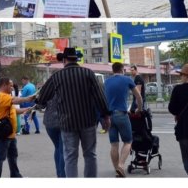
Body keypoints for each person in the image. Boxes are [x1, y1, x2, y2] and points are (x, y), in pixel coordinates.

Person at [36, 47, 111, 178]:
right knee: (90, 154)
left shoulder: (57, 76)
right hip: (88, 121)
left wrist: (38, 102)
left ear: (64, 60)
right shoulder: (88, 73)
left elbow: (42, 98)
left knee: (70, 157)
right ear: (76, 59)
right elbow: (100, 97)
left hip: (67, 123)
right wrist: (106, 116)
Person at [104, 62, 143, 178]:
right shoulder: (127, 80)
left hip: (110, 115)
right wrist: (139, 109)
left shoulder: (106, 82)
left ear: (112, 70)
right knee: (128, 141)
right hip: (121, 114)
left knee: (114, 144)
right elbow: (138, 96)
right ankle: (121, 165)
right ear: (122, 70)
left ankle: (117, 169)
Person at [0, 78, 35, 177]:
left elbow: (14, 110)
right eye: (10, 85)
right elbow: (15, 100)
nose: (12, 87)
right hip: (4, 134)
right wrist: (28, 98)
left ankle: (15, 175)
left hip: (10, 133)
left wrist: (26, 109)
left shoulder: (6, 97)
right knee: (0, 157)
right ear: (4, 85)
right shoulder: (2, 96)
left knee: (12, 156)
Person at [168, 64, 188, 177]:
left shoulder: (178, 89)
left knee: (187, 160)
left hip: (184, 128)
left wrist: (178, 113)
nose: (181, 77)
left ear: (186, 76)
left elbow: (172, 108)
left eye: (181, 75)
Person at [42, 96, 66, 177]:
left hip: (49, 122)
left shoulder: (48, 86)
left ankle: (59, 174)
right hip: (64, 120)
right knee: (63, 150)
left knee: (57, 148)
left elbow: (40, 105)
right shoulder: (65, 85)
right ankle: (62, 176)